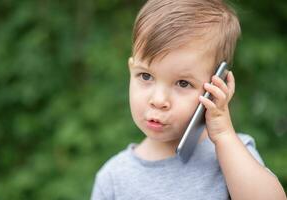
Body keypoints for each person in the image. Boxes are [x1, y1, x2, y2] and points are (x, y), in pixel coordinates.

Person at [91, 0, 287, 199]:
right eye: (146, 76)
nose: (158, 100)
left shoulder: (233, 155)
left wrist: (224, 137)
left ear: (216, 86)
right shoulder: (113, 178)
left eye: (183, 83)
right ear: (131, 70)